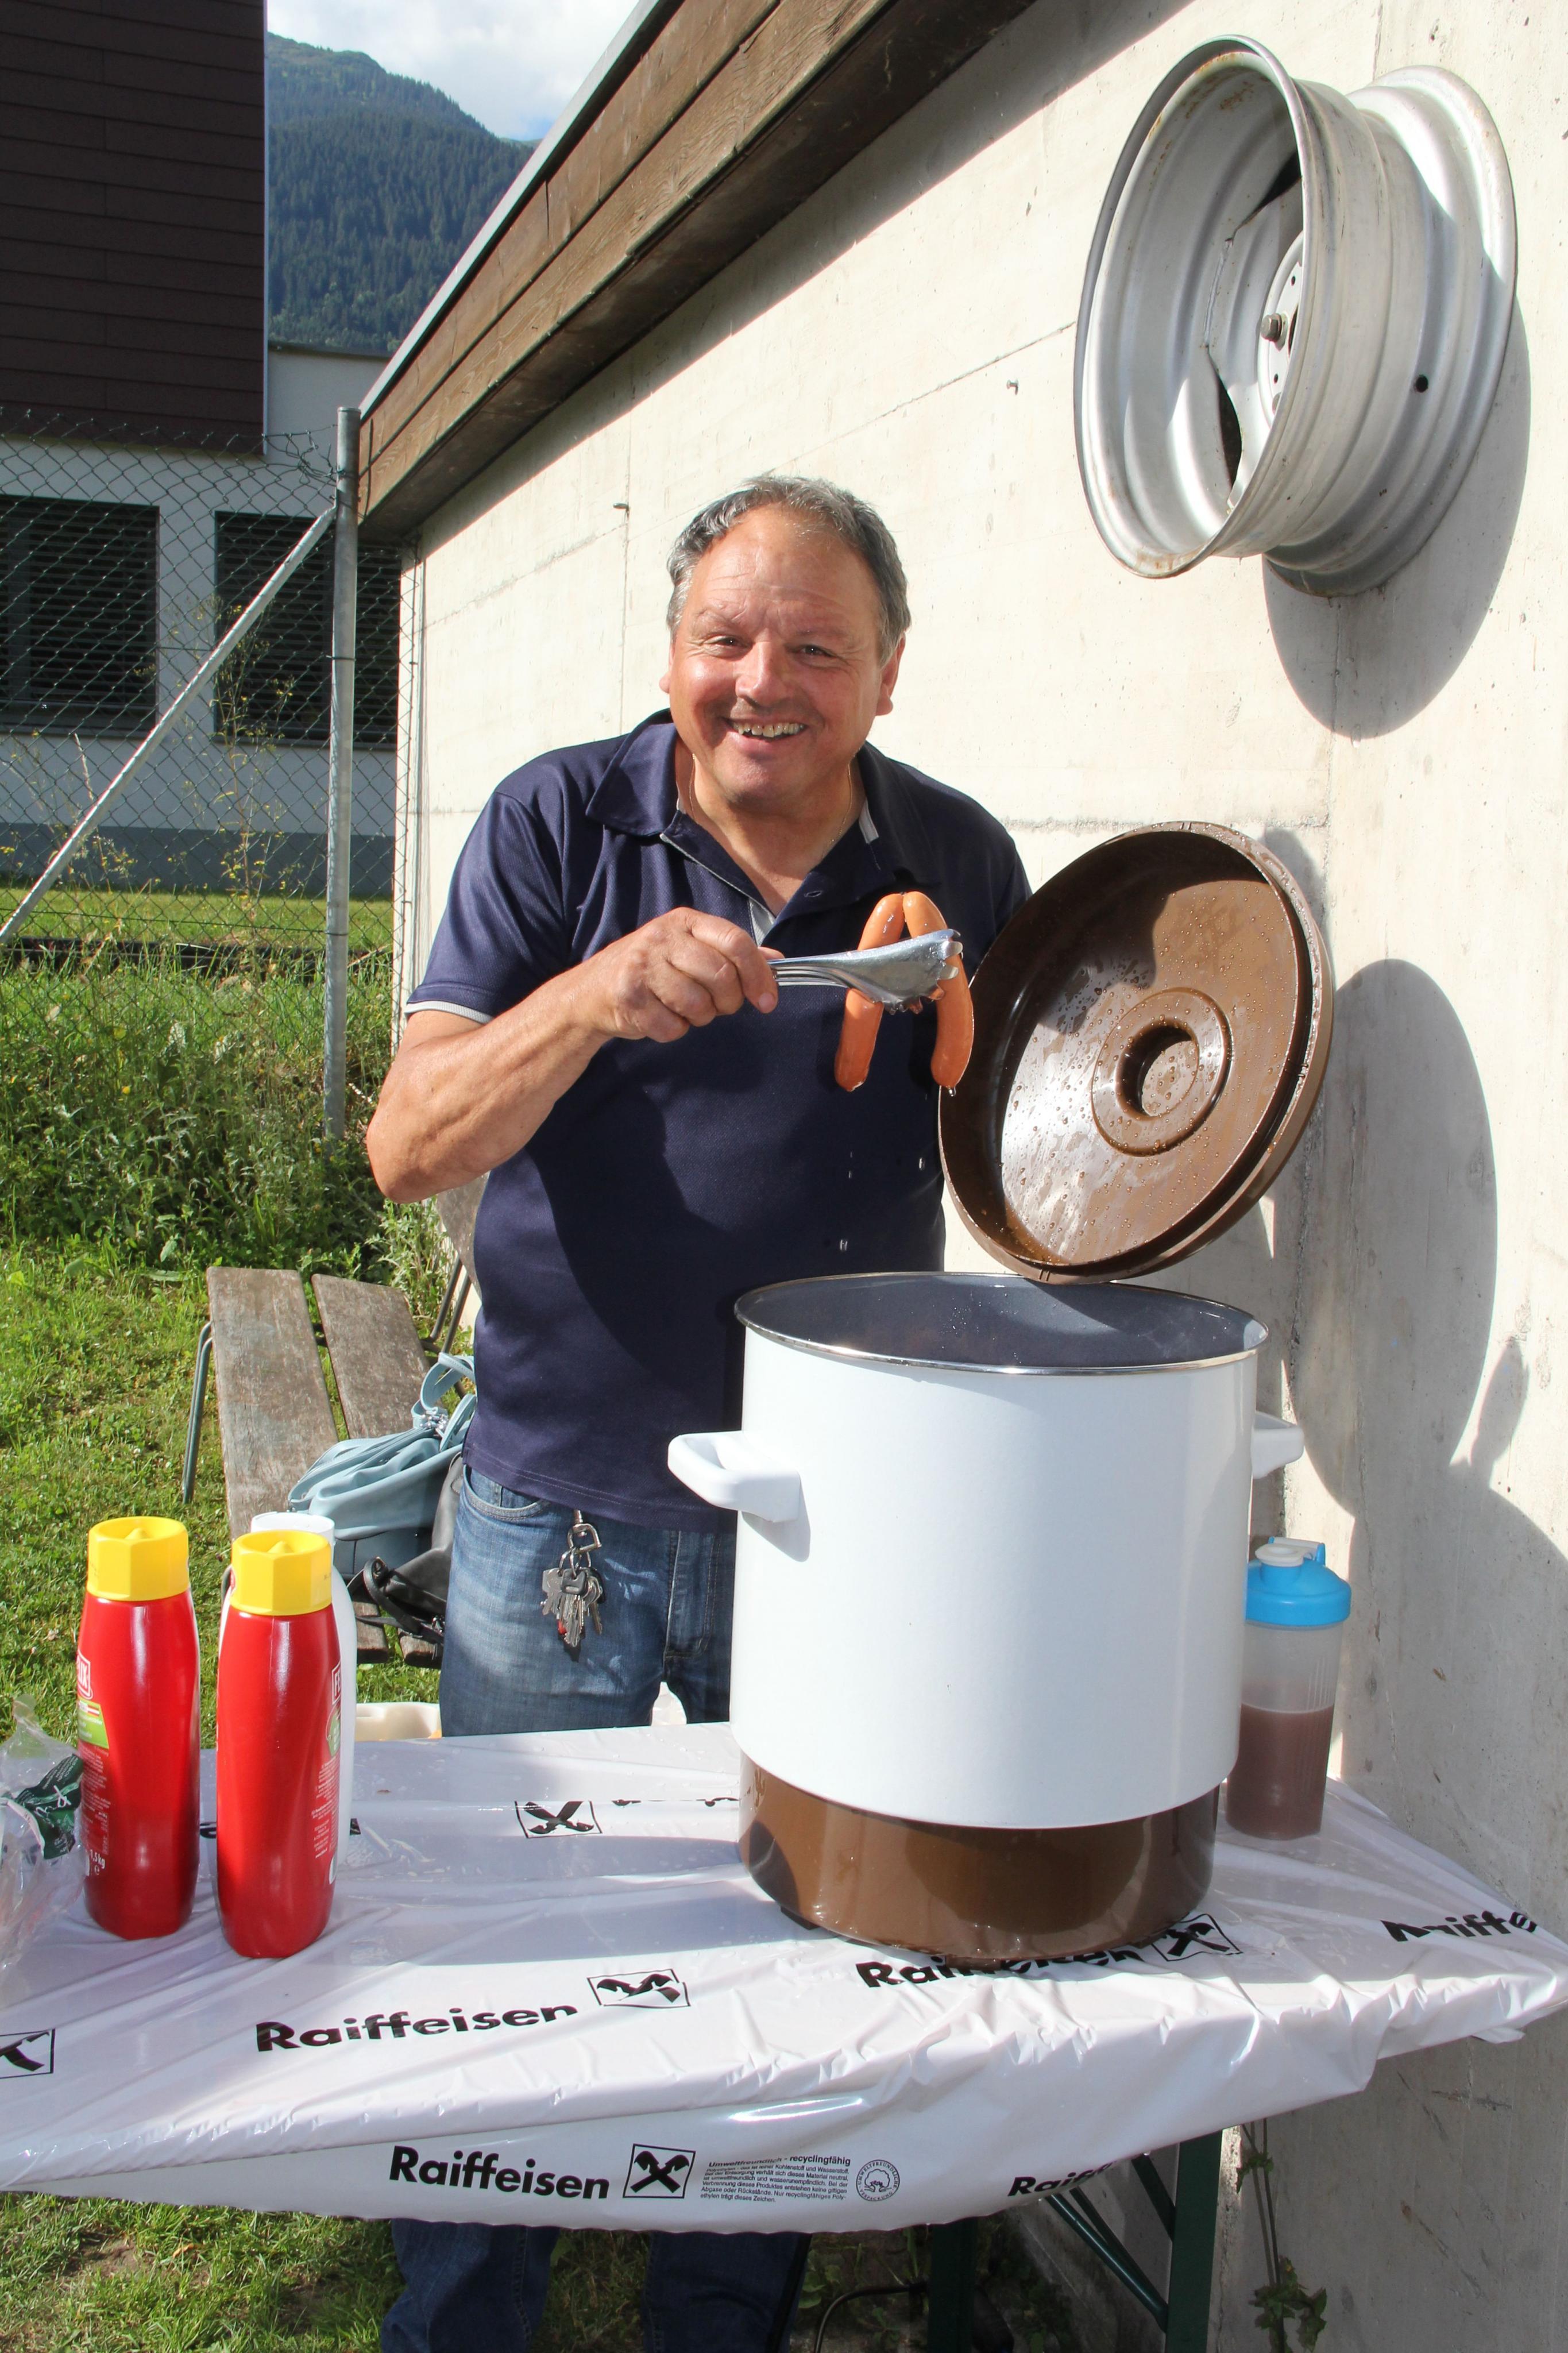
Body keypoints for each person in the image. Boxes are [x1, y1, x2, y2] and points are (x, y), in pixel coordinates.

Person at [366, 475, 1029, 2353]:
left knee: (793, 1955)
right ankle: (464, 2318)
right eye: (726, 639)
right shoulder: (560, 824)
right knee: (504, 1951)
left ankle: (718, 2322)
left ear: (886, 673)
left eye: (815, 646)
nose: (764, 681)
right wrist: (588, 995)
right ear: (670, 656)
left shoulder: (957, 861)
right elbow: (408, 1144)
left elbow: (1045, 1153)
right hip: (558, 1509)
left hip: (830, 1517)